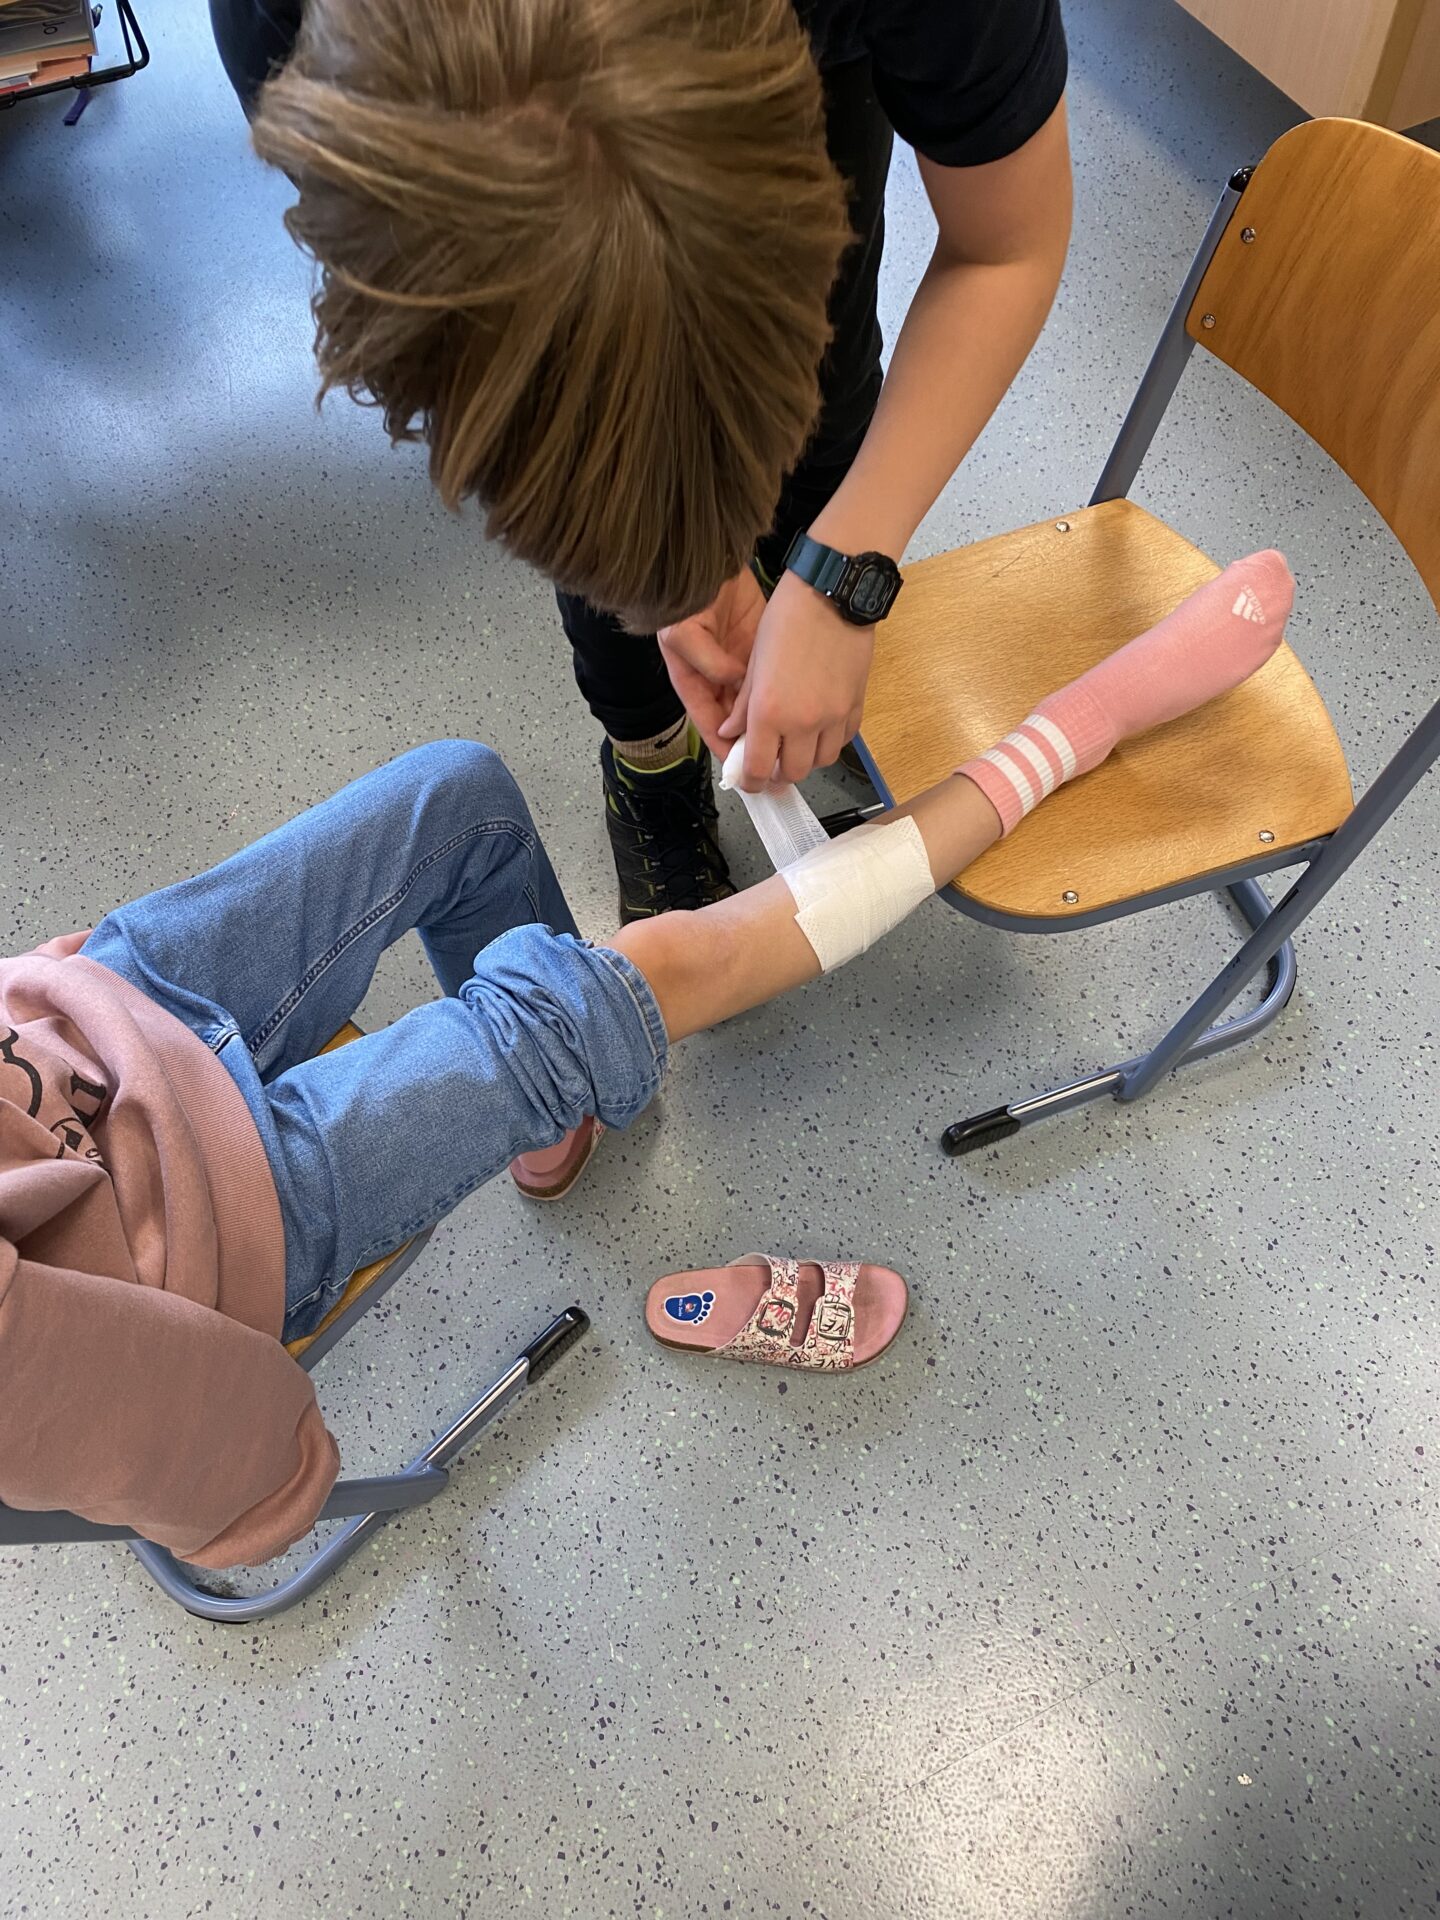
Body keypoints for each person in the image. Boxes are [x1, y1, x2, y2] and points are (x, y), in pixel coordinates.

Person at [0, 555, 1291, 1567]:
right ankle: (1070, 736)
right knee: (657, 971)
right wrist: (259, 1472)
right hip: (185, 1242)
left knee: (461, 798)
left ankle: (548, 1108)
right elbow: (142, 1423)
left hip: (71, 1035)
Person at [208, 0, 1073, 920]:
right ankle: (651, 765)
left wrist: (844, 575)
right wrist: (665, 577)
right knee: (607, 522)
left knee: (831, 415)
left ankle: (802, 598)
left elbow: (1003, 247)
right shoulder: (303, 58)